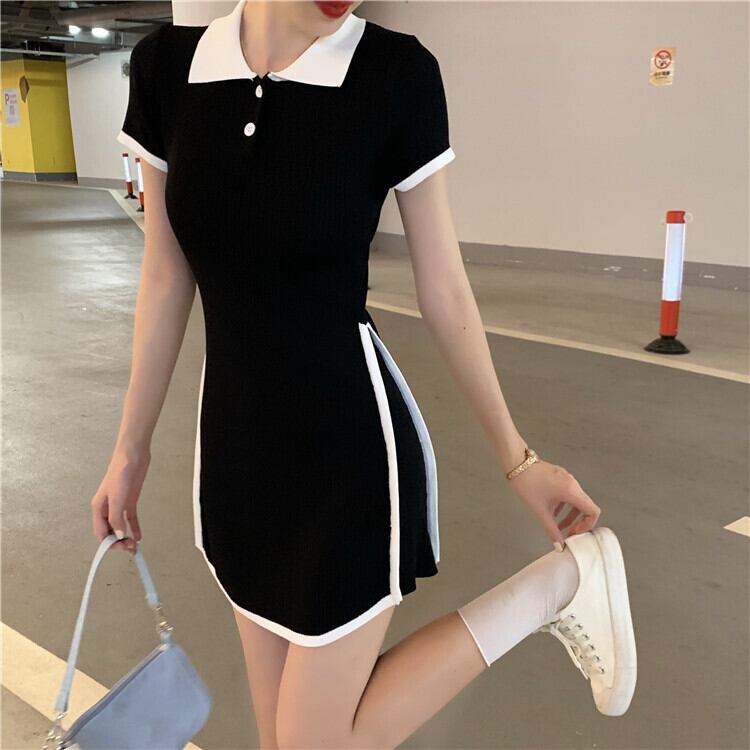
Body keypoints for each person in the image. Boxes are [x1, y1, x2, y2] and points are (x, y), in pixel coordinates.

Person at [94, 1, 637, 747]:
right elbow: (165, 275)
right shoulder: (167, 69)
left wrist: (520, 460)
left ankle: (559, 587)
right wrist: (130, 450)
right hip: (238, 463)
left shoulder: (395, 75)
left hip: (350, 457)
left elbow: (444, 288)